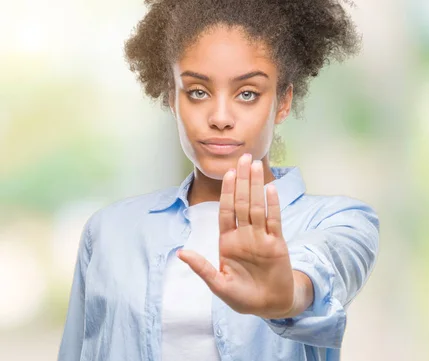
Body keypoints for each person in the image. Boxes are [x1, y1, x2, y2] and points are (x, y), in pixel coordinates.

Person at [57, 0, 380, 360]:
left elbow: (324, 269)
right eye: (198, 91)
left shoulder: (341, 221)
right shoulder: (108, 231)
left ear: (283, 102)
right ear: (171, 97)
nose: (220, 117)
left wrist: (288, 294)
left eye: (247, 94)